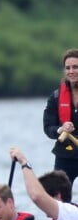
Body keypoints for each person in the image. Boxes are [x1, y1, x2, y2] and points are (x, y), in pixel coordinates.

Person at [43, 48, 78, 186]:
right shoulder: (56, 97)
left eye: (75, 67)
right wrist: (61, 129)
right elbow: (48, 128)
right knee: (58, 196)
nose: (71, 71)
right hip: (65, 155)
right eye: (68, 68)